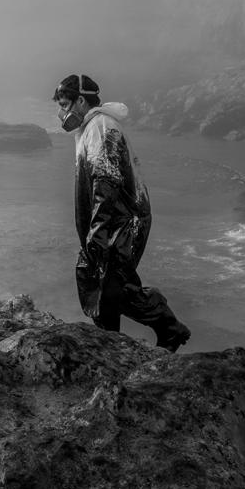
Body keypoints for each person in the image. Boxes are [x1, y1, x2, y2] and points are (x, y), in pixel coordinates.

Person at [53, 73, 191, 352]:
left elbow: (106, 183)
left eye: (65, 104)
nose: (61, 112)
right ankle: (165, 327)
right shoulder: (91, 128)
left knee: (106, 288)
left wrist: (98, 233)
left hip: (124, 222)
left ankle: (112, 349)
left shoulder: (102, 128)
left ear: (81, 101)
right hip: (115, 221)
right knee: (108, 283)